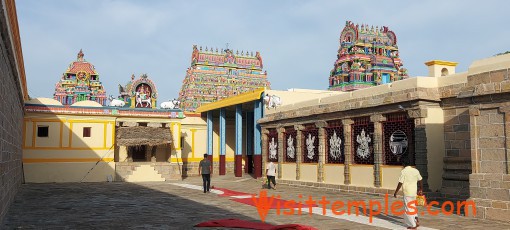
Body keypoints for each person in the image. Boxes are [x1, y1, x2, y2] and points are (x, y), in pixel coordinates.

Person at [393, 157, 423, 229]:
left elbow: (400, 182)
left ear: (403, 164)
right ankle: (416, 219)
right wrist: (421, 188)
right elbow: (420, 179)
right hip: (414, 192)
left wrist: (396, 192)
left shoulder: (403, 171)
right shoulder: (415, 170)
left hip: (407, 192)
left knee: (408, 208)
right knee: (412, 206)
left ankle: (413, 225)